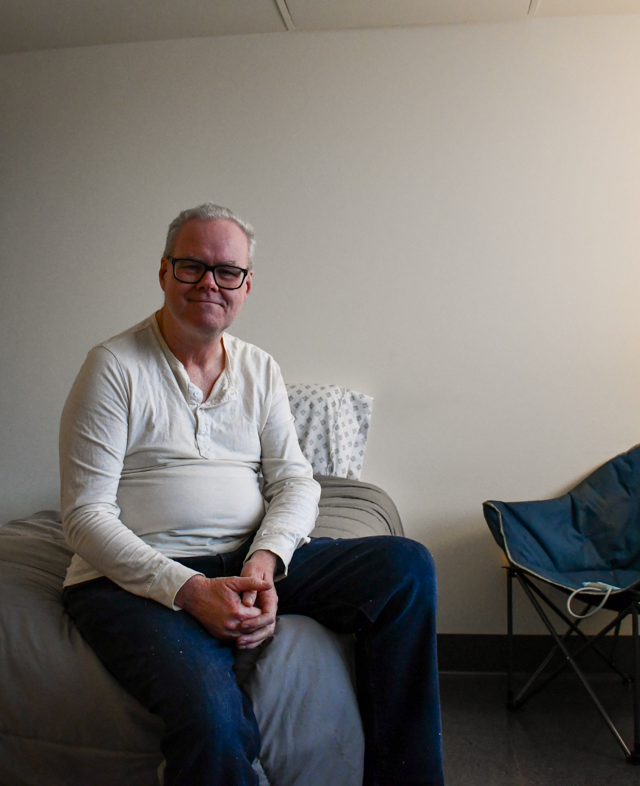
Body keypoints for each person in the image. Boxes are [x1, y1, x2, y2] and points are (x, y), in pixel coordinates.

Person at [60, 203, 443, 786]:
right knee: (211, 719)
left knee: (406, 568)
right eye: (192, 266)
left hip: (244, 559)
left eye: (227, 271)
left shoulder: (259, 369)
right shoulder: (113, 366)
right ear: (164, 271)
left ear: (246, 284)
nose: (209, 283)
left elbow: (295, 481)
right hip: (136, 579)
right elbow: (85, 516)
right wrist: (191, 591)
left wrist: (265, 562)